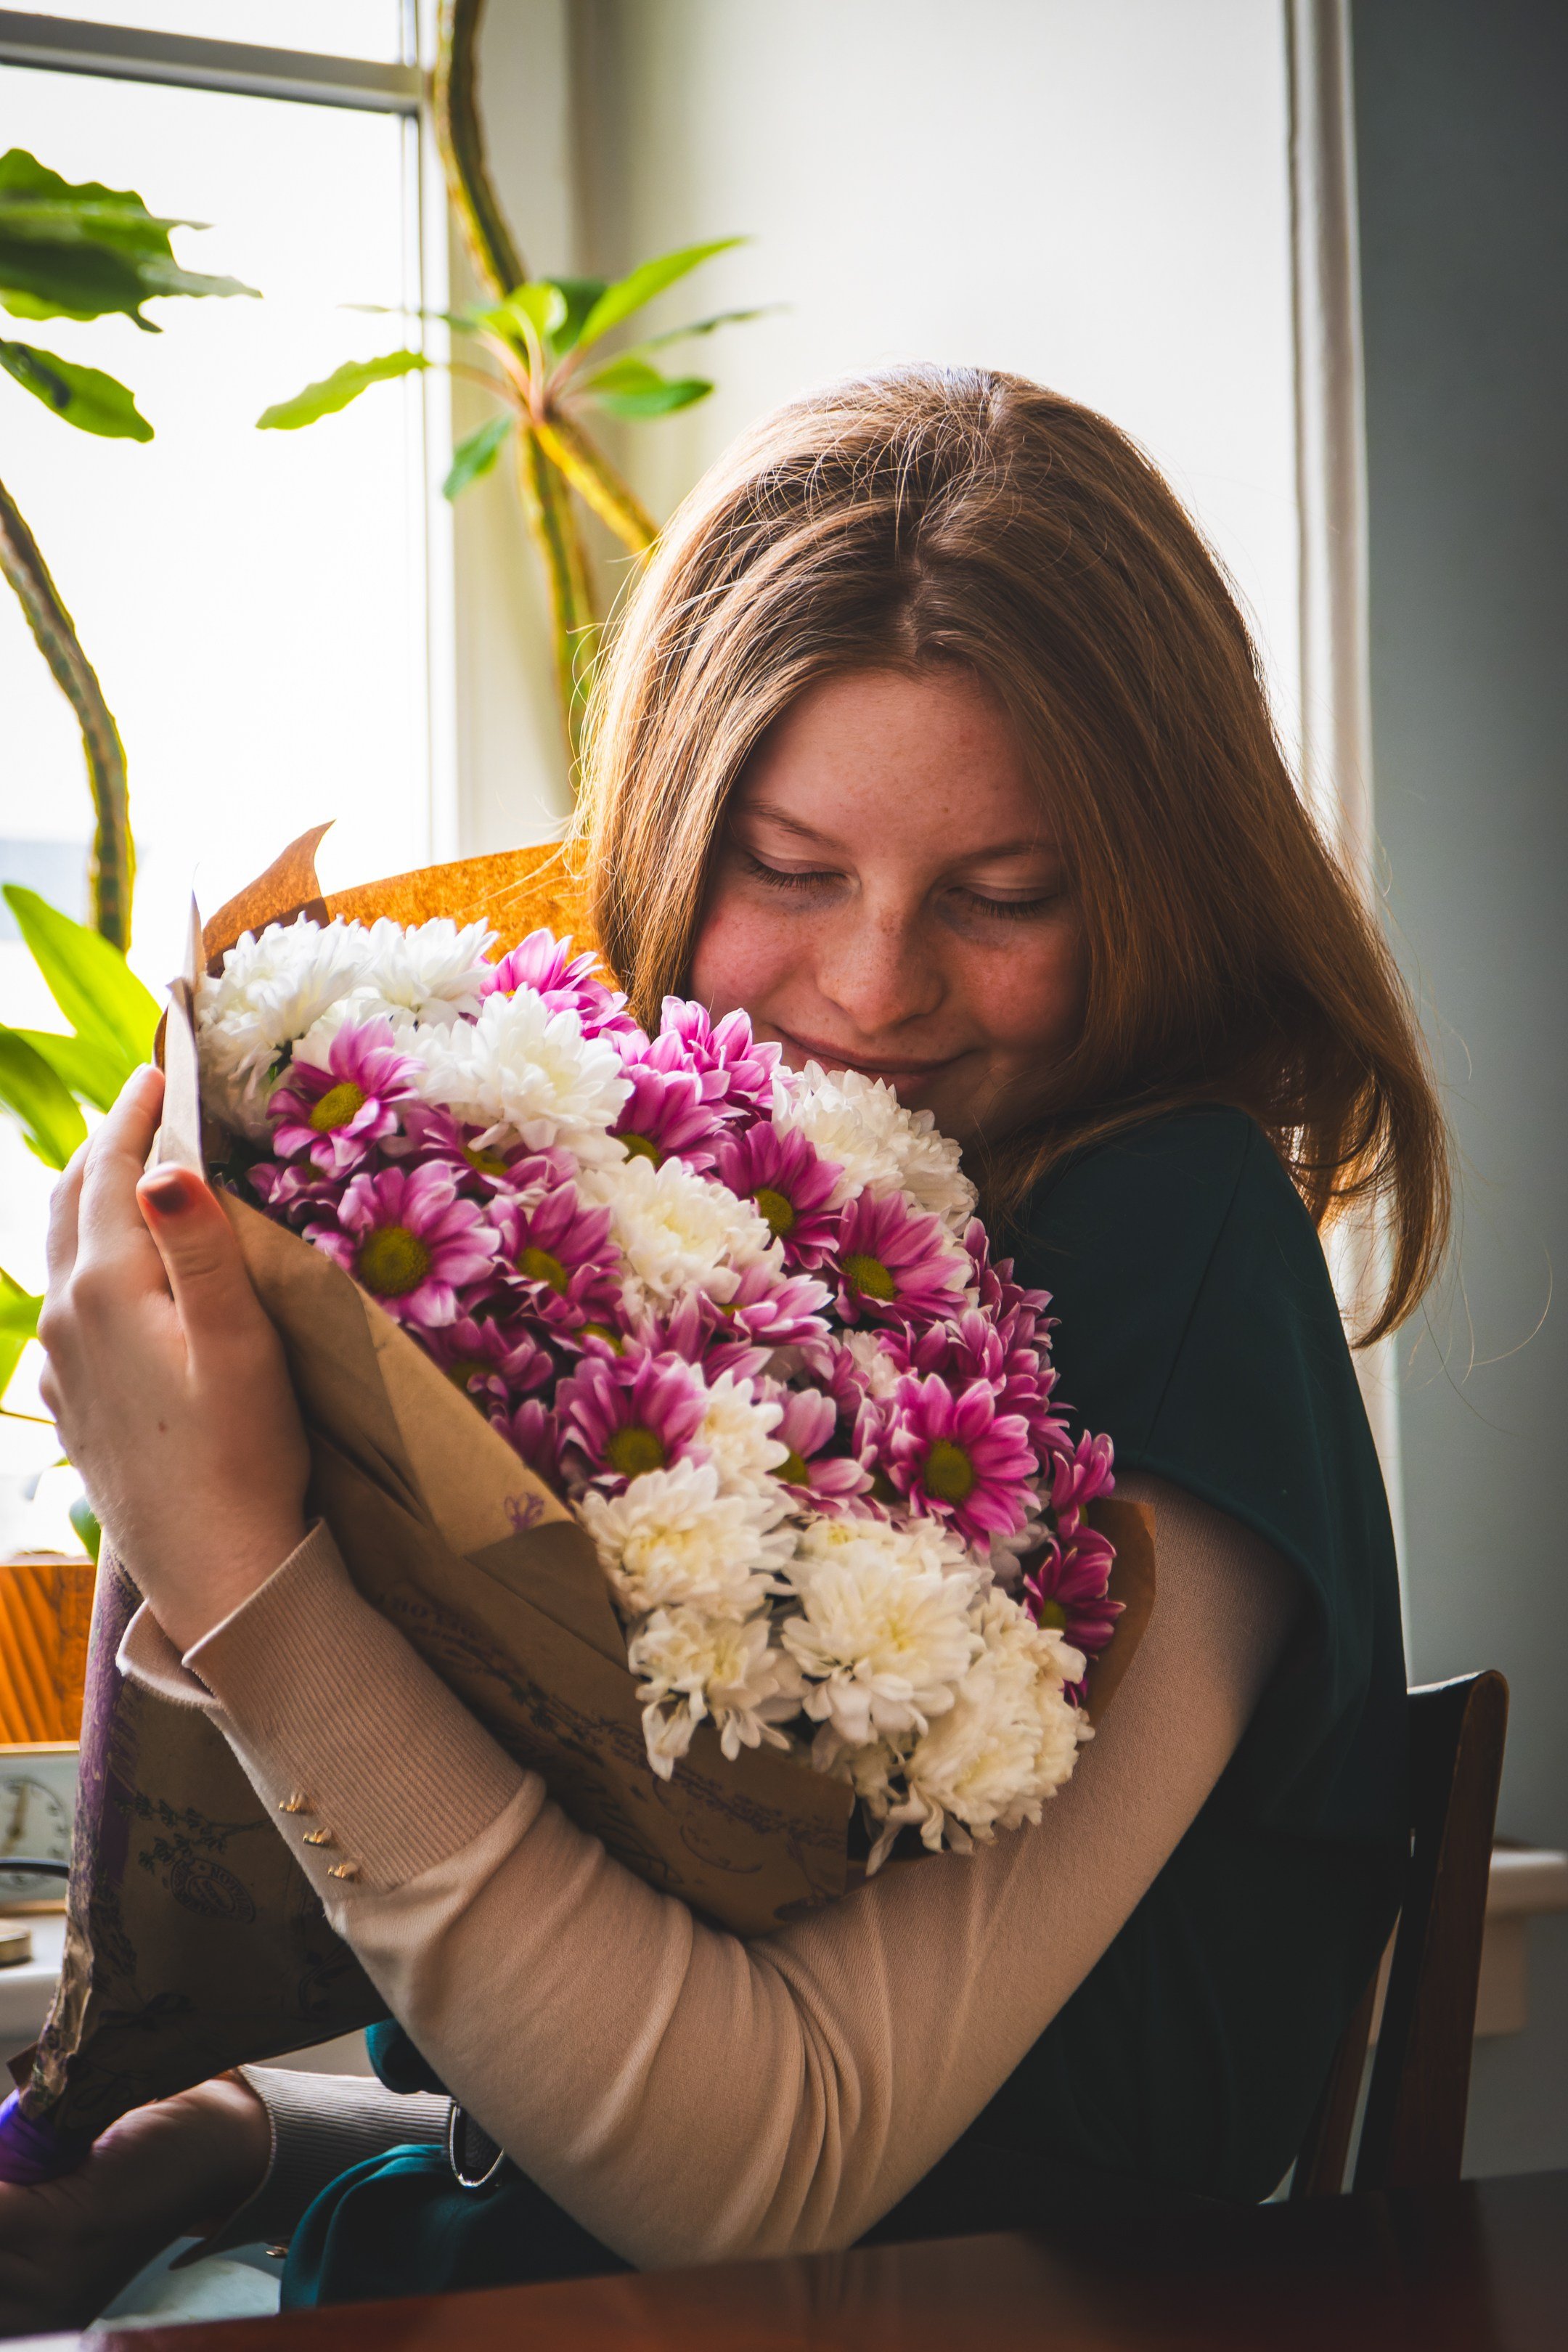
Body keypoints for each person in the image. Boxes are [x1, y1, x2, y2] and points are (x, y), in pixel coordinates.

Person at [0, 369, 1446, 2332]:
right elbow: (622, 2110)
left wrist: (232, 1563)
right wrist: (244, 2137)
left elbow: (772, 2171)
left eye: (1006, 895)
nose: (871, 985)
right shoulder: (696, 1224)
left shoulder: (1170, 1245)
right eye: (787, 865)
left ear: (1160, 892)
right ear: (671, 832)